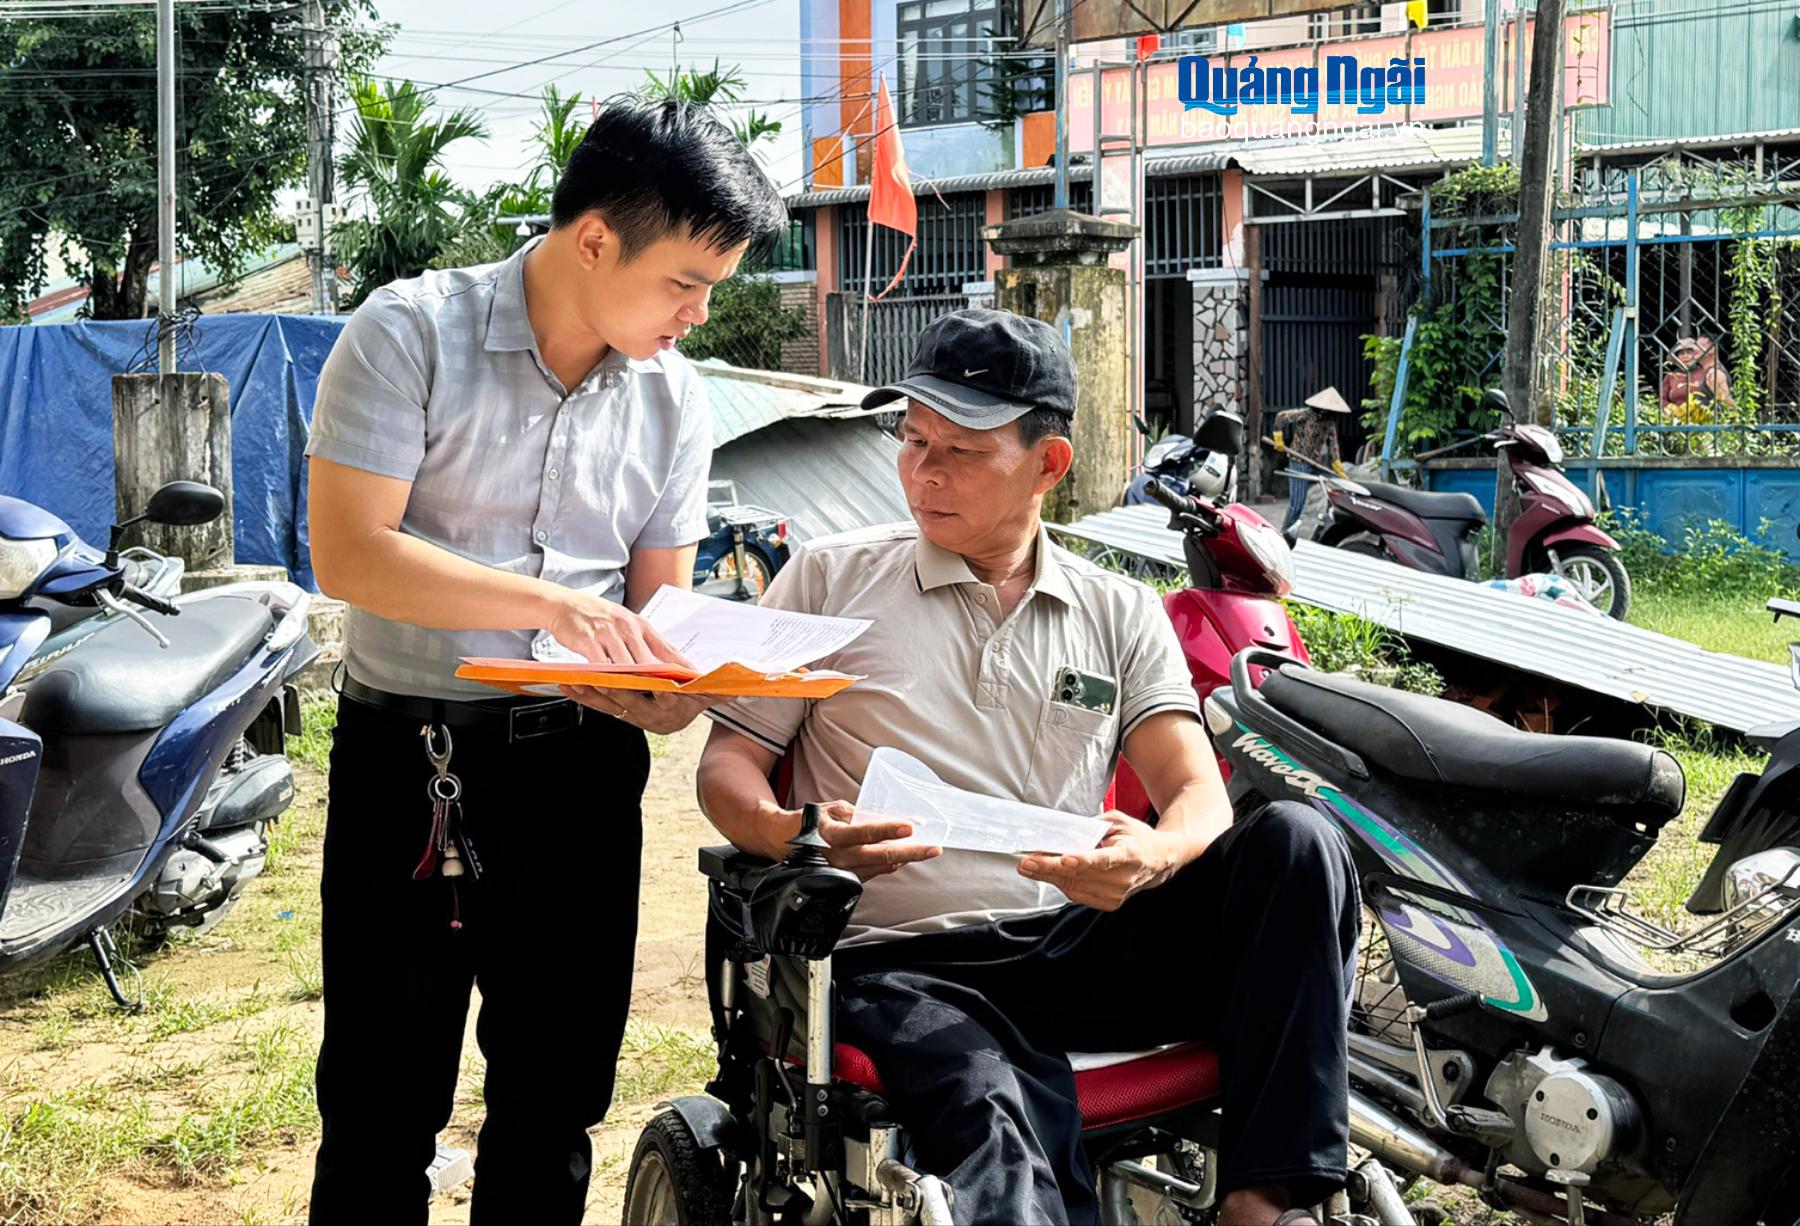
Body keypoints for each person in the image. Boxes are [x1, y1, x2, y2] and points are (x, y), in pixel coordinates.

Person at [696, 308, 1360, 1226]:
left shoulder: (1118, 609)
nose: (922, 470)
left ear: (1048, 463)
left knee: (1299, 840)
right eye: (911, 438)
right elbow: (728, 764)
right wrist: (798, 833)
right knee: (990, 1112)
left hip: (1067, 944)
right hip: (897, 964)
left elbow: (1196, 792)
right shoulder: (827, 576)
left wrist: (1154, 857)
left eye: (960, 450)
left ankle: (1261, 1201)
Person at [303, 97, 786, 1223]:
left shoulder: (672, 396)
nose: (699, 315)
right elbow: (348, 553)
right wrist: (560, 606)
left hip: (581, 768)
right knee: (380, 1101)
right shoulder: (408, 331)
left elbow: (658, 605)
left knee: (555, 1100)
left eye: (714, 287)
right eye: (684, 282)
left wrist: (671, 695)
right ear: (594, 239)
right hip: (412, 761)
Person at [1273, 387, 1350, 532]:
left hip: (1314, 463)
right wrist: (1278, 439)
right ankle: (1285, 532)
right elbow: (1280, 417)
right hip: (1298, 461)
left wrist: (1338, 468)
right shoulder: (1306, 414)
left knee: (1336, 482)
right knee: (1297, 503)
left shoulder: (1330, 423)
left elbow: (1333, 446)